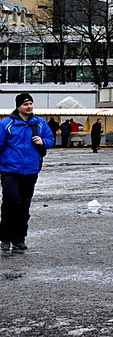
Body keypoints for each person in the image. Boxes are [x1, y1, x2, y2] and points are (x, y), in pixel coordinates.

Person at [0, 92, 55, 252]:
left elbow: (51, 139)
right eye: (26, 104)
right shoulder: (6, 124)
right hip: (10, 170)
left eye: (31, 103)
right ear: (18, 106)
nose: (29, 106)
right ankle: (5, 238)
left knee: (24, 205)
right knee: (11, 202)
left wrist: (43, 141)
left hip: (31, 171)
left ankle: (19, 238)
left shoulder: (40, 123)